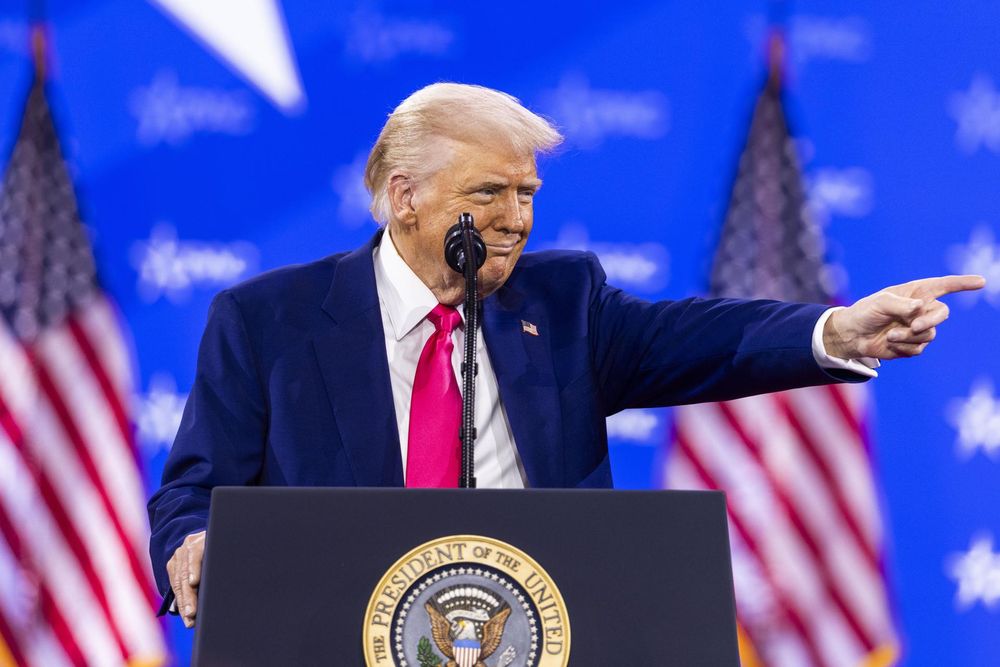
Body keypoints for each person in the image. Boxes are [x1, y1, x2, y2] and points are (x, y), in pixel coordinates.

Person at [147, 82, 984, 628]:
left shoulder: (562, 301)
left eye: (527, 194)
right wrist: (193, 540)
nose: (514, 217)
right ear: (402, 197)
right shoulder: (269, 320)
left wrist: (833, 331)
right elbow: (191, 487)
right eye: (488, 193)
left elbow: (703, 340)